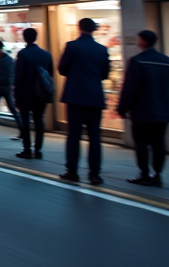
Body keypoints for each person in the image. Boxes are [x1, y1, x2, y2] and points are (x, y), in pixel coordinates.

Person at [58, 18, 110, 185]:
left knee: (74, 134)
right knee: (94, 135)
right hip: (95, 96)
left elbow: (62, 69)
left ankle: (72, 171)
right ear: (94, 29)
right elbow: (105, 74)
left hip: (75, 96)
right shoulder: (102, 49)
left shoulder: (72, 46)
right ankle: (95, 174)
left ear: (79, 28)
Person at [116, 30, 169, 187]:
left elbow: (130, 88)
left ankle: (144, 174)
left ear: (144, 42)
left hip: (142, 111)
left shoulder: (137, 61)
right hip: (163, 111)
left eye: (138, 39)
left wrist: (122, 108)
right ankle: (157, 174)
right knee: (158, 143)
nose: (137, 42)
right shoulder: (166, 61)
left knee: (141, 143)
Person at [13, 27, 53, 160]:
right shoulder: (46, 54)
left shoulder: (23, 54)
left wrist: (16, 95)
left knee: (25, 121)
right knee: (39, 121)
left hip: (26, 93)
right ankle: (38, 149)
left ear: (24, 38)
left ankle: (27, 149)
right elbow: (50, 74)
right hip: (40, 93)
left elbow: (18, 77)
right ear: (36, 37)